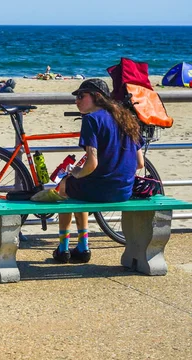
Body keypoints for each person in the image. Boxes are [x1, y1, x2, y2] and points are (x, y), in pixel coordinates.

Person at [33, 79, 144, 263]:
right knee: (79, 188)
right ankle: (82, 247)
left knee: (65, 186)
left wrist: (74, 173)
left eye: (81, 96)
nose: (76, 100)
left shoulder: (91, 120)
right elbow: (140, 163)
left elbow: (92, 164)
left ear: (97, 97)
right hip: (124, 191)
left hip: (102, 190)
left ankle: (63, 249)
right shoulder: (127, 118)